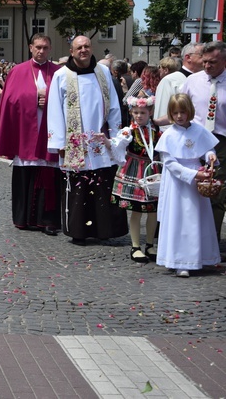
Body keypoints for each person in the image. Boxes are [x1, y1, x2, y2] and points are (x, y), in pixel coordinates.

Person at [46, 35, 128, 244]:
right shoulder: (61, 76)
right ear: (72, 52)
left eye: (87, 46)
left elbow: (114, 106)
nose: (83, 50)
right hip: (74, 141)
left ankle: (104, 230)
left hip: (100, 139)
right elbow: (54, 110)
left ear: (92, 49)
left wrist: (116, 135)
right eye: (79, 47)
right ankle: (79, 231)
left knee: (103, 184)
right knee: (79, 187)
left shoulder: (103, 73)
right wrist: (59, 143)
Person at [0, 34, 62, 235]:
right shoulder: (17, 71)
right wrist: (33, 100)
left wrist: (47, 101)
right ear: (31, 47)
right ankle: (24, 219)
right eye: (38, 47)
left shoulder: (58, 72)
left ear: (50, 49)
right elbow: (10, 101)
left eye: (46, 47)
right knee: (26, 177)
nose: (41, 51)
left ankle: (47, 220)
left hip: (49, 134)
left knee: (48, 178)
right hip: (25, 134)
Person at [155, 94, 220, 277]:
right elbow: (170, 163)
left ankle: (201, 257)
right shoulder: (168, 135)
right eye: (175, 113)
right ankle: (179, 260)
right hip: (178, 183)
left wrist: (210, 156)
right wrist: (192, 175)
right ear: (170, 114)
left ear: (189, 111)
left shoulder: (199, 130)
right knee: (179, 219)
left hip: (197, 180)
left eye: (182, 112)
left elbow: (207, 148)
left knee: (197, 219)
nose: (179, 116)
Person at [180, 41, 226, 253]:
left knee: (216, 192)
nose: (207, 66)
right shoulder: (192, 81)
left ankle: (211, 246)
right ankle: (188, 242)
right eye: (205, 62)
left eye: (213, 63)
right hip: (194, 140)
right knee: (190, 190)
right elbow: (179, 108)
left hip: (221, 142)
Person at [110, 96, 161, 262]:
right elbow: (117, 144)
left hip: (152, 170)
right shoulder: (129, 131)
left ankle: (150, 244)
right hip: (134, 170)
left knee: (153, 210)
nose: (139, 116)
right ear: (131, 113)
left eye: (143, 113)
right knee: (137, 210)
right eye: (136, 112)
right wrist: (107, 142)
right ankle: (135, 246)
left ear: (150, 113)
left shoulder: (156, 131)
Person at [152, 57, 186, 129]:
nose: (158, 70)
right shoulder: (183, 77)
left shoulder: (166, 80)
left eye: (160, 67)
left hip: (167, 126)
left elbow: (162, 106)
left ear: (166, 70)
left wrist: (160, 127)